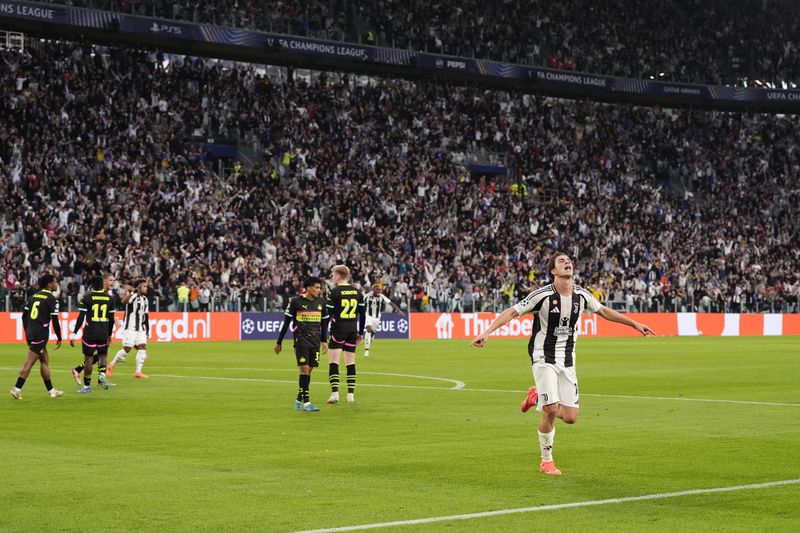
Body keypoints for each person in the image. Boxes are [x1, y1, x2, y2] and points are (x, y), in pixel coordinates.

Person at [470, 252, 655, 475]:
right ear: (553, 271)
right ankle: (546, 461)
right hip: (543, 357)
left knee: (570, 417)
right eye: (561, 261)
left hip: (567, 360)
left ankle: (535, 396)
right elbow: (512, 311)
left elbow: (604, 311)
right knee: (550, 410)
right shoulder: (543, 295)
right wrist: (487, 332)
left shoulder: (582, 295)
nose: (567, 263)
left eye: (569, 260)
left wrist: (635, 324)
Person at [274, 276, 328, 412]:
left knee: (308, 372)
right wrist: (279, 342)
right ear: (308, 288)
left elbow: (324, 324)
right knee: (304, 370)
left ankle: (299, 398)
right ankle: (307, 403)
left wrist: (324, 341)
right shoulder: (295, 302)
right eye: (317, 287)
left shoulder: (322, 302)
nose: (319, 290)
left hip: (315, 341)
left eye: (320, 288)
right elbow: (286, 323)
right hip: (301, 341)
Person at [9, 274, 64, 399]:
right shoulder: (52, 299)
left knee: (44, 360)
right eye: (55, 282)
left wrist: (27, 333)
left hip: (31, 331)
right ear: (49, 284)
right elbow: (55, 321)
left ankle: (51, 390)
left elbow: (24, 316)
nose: (56, 284)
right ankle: (16, 388)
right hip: (41, 333)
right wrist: (59, 338)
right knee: (30, 361)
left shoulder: (33, 297)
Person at [324, 265, 365, 404]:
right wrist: (360, 333)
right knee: (350, 362)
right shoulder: (357, 292)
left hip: (338, 329)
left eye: (333, 274)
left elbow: (327, 316)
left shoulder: (334, 292)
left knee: (334, 362)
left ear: (339, 275)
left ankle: (335, 393)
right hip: (352, 329)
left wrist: (323, 334)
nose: (332, 277)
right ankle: (350, 396)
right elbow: (363, 315)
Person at [69, 274, 115, 393]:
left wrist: (74, 333)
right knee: (103, 356)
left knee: (89, 359)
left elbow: (81, 317)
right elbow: (111, 319)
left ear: (92, 286)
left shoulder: (87, 298)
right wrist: (109, 335)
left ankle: (86, 387)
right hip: (103, 332)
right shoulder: (109, 299)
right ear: (102, 284)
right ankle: (102, 377)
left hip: (90, 333)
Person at [107, 278, 150, 379]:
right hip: (130, 327)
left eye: (146, 286)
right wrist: (134, 292)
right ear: (139, 287)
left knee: (142, 347)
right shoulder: (134, 296)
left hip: (140, 328)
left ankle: (138, 372)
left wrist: (147, 328)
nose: (146, 288)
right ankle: (111, 366)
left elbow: (146, 315)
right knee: (127, 349)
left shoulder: (145, 299)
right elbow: (123, 301)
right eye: (144, 286)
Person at [362, 283, 405, 357]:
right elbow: (359, 302)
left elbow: (391, 303)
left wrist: (399, 310)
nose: (379, 291)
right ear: (373, 290)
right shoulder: (367, 296)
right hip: (368, 315)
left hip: (377, 317)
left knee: (372, 334)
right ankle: (366, 350)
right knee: (368, 329)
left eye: (380, 290)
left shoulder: (382, 296)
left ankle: (371, 337)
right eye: (377, 290)